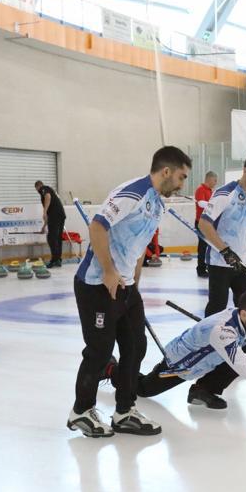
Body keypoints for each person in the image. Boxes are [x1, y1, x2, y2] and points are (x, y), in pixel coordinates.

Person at [67, 146, 190, 438]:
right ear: (167, 171)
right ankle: (81, 412)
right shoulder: (131, 193)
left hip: (125, 286)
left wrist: (134, 279)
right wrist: (110, 271)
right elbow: (98, 227)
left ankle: (124, 410)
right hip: (97, 284)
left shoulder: (158, 203)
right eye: (182, 177)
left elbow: (138, 245)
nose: (183, 184)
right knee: (99, 351)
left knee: (136, 346)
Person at [138, 289, 246, 410]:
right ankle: (111, 369)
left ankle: (202, 391)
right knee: (143, 390)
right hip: (180, 365)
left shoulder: (241, 320)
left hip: (204, 361)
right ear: (244, 314)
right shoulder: (223, 331)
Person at [198, 153, 246, 319]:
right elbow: (204, 224)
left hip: (243, 262)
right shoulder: (225, 194)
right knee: (217, 309)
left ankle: (243, 343)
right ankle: (207, 342)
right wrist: (225, 251)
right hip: (219, 262)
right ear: (245, 171)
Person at [35, 180, 66, 268]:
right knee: (57, 238)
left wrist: (44, 211)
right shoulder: (49, 190)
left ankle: (54, 260)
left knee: (51, 238)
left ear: (37, 187)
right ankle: (58, 260)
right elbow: (48, 215)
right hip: (60, 215)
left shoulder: (43, 189)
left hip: (55, 216)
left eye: (37, 189)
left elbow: (48, 196)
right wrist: (44, 226)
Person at [194, 171, 218, 278]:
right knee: (202, 247)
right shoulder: (200, 189)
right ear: (209, 179)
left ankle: (208, 266)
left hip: (209, 222)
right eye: (215, 180)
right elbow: (200, 203)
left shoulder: (210, 191)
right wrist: (213, 205)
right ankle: (201, 269)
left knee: (210, 246)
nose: (216, 182)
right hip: (201, 223)